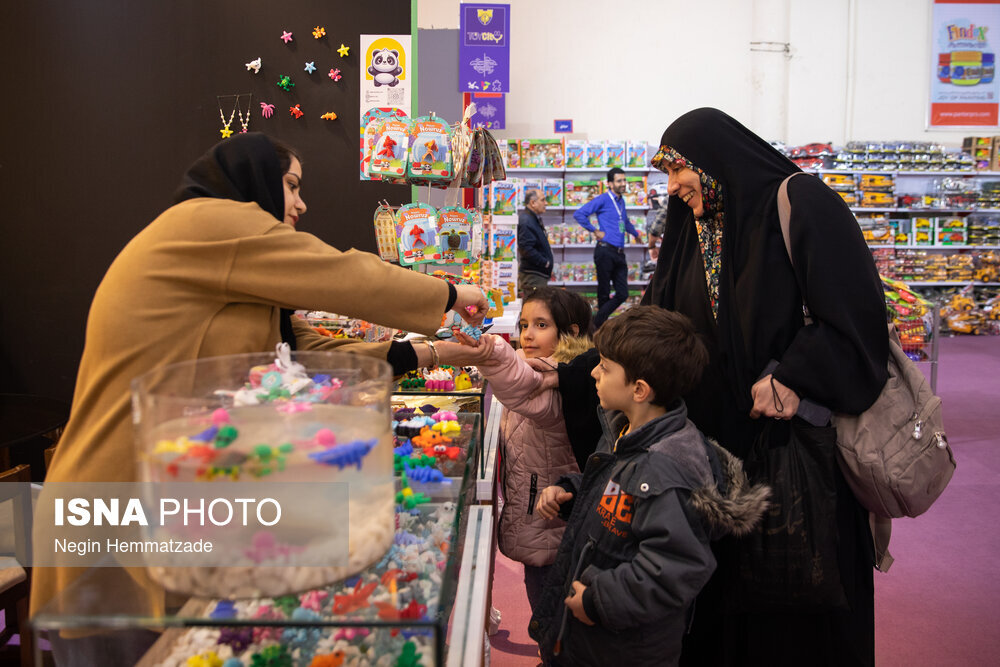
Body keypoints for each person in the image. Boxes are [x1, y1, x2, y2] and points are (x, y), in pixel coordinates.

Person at [31, 133, 487, 666]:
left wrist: (433, 352)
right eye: (291, 185)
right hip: (115, 503)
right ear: (254, 182)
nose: (301, 203)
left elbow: (310, 356)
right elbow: (337, 272)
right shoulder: (209, 222)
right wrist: (450, 294)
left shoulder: (235, 269)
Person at [547, 108, 889, 665]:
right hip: (706, 464)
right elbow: (656, 328)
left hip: (788, 464)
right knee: (713, 611)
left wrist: (793, 375)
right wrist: (574, 365)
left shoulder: (801, 204)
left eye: (677, 169)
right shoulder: (692, 225)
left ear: (713, 161)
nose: (672, 186)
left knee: (789, 620)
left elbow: (857, 321)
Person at [526, 306, 769, 667]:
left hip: (621, 648)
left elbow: (676, 566)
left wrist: (597, 600)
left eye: (604, 367)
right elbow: (619, 494)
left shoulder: (664, 468)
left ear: (639, 389)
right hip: (594, 643)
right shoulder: (628, 431)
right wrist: (573, 493)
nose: (593, 372)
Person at [445, 288, 593, 618]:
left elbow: (519, 386)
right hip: (539, 511)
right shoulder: (549, 371)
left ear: (570, 332)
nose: (527, 334)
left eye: (541, 325)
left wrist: (491, 350)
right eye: (524, 325)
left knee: (550, 612)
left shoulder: (559, 380)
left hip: (549, 520)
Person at [572, 167, 641, 327]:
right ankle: (599, 329)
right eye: (619, 181)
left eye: (624, 180)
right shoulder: (603, 199)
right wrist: (594, 230)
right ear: (609, 184)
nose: (623, 183)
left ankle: (596, 324)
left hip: (619, 253)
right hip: (605, 250)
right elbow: (579, 214)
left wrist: (636, 234)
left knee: (622, 293)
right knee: (603, 293)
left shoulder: (621, 201)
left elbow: (624, 221)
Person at [517, 189, 554, 295]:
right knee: (535, 303)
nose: (546, 203)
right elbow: (526, 248)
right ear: (533, 203)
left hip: (537, 275)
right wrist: (545, 263)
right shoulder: (526, 221)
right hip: (534, 276)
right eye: (543, 200)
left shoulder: (531, 218)